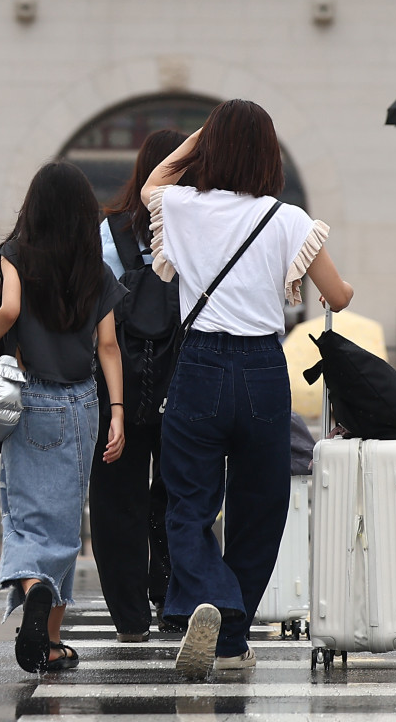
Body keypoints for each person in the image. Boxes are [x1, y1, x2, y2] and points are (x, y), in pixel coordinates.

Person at [140, 99, 353, 678]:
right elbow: (338, 295)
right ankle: (232, 637)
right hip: (263, 368)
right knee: (262, 507)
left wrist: (202, 136)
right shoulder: (287, 220)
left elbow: (154, 180)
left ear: (210, 149)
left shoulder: (181, 207)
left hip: (200, 366)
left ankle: (210, 596)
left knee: (188, 505)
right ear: (269, 154)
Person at [0, 160, 127, 674]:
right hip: (84, 403)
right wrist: (119, 414)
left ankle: (34, 587)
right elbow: (108, 346)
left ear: (34, 208)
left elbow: (11, 309)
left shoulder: (15, 254)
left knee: (24, 514)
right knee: (64, 522)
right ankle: (50, 641)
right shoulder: (97, 270)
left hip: (32, 400)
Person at [91, 129, 187, 643]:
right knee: (180, 496)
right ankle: (174, 600)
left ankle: (129, 615)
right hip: (183, 383)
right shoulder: (198, 229)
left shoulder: (111, 233)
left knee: (115, 501)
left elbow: (94, 312)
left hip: (117, 386)